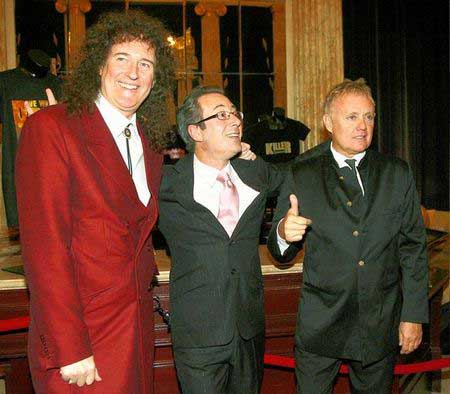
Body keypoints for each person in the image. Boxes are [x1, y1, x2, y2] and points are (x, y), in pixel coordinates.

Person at [15, 10, 174, 393]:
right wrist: (69, 348)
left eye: (145, 63)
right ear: (99, 64)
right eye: (122, 58)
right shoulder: (53, 127)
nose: (133, 73)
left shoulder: (150, 144)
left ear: (156, 78)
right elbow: (45, 249)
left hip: (135, 333)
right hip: (81, 339)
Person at [267, 78, 429, 393]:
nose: (362, 126)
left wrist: (413, 315)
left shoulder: (396, 173)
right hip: (321, 323)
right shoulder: (301, 172)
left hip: (379, 322)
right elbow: (279, 248)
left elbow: (413, 249)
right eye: (352, 117)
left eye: (369, 116)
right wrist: (285, 234)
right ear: (328, 122)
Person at [158, 85, 284, 393]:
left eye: (235, 113)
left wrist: (284, 230)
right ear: (195, 132)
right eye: (221, 115)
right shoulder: (167, 184)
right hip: (198, 333)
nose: (235, 121)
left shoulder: (256, 173)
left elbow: (301, 185)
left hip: (248, 330)